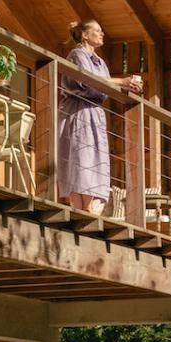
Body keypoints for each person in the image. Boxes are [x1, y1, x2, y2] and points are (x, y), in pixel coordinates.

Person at [57, 20, 143, 216]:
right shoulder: (77, 54)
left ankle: (89, 207)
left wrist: (126, 86)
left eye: (102, 30)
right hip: (78, 111)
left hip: (94, 112)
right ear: (85, 35)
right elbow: (86, 80)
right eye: (97, 30)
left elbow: (104, 87)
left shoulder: (100, 62)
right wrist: (121, 81)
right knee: (82, 157)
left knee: (94, 157)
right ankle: (80, 208)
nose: (102, 33)